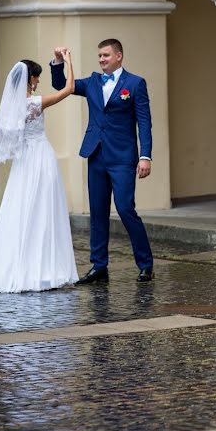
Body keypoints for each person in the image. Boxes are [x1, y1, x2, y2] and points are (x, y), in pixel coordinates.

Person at [51, 39, 154, 284]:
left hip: (123, 158)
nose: (101, 59)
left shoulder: (135, 83)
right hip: (96, 155)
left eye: (106, 55)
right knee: (97, 212)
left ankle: (146, 264)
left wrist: (145, 156)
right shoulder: (93, 82)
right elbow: (60, 85)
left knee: (125, 207)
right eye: (99, 56)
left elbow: (144, 123)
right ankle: (99, 266)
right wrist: (58, 61)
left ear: (119, 56)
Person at [0, 52, 80, 293]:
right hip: (40, 157)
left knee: (22, 207)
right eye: (36, 78)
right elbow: (68, 89)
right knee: (44, 207)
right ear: (29, 80)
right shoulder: (35, 103)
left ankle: (19, 266)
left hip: (23, 162)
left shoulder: (12, 107)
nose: (37, 82)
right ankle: (44, 268)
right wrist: (68, 60)